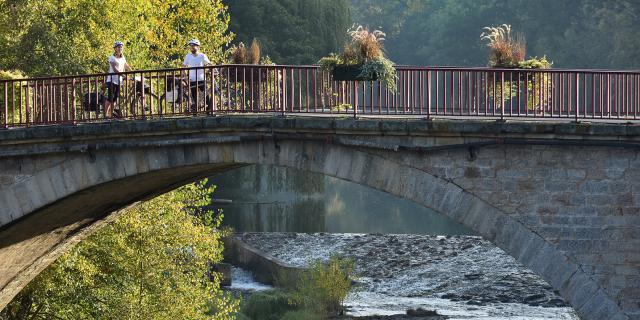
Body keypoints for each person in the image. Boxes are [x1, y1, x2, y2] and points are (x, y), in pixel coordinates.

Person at [182, 39, 213, 114]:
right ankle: (195, 112)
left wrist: (212, 70)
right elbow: (183, 68)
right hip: (192, 80)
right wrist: (185, 77)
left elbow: (209, 64)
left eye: (193, 46)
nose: (192, 47)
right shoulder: (188, 56)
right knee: (194, 96)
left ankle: (208, 111)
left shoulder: (202, 56)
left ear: (198, 47)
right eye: (191, 46)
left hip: (202, 79)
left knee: (206, 96)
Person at [105, 41, 132, 118]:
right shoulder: (112, 58)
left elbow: (127, 66)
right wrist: (124, 76)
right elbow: (115, 69)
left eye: (121, 47)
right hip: (111, 80)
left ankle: (110, 115)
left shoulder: (123, 58)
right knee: (110, 97)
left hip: (118, 80)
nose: (120, 48)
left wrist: (133, 72)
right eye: (118, 47)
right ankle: (105, 114)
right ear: (115, 49)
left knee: (115, 99)